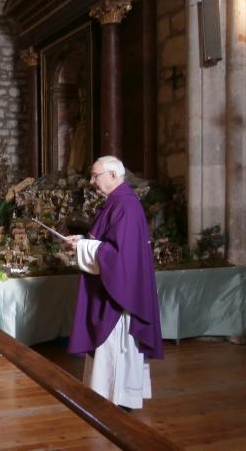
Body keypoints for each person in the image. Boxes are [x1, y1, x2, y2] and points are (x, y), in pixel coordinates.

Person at [65, 155, 163, 410]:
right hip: (111, 287)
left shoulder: (126, 205)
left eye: (95, 176)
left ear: (113, 175)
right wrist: (82, 242)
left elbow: (119, 257)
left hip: (120, 295)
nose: (91, 181)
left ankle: (118, 398)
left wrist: (83, 247)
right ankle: (105, 395)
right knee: (107, 349)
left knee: (117, 347)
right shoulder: (117, 202)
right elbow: (108, 243)